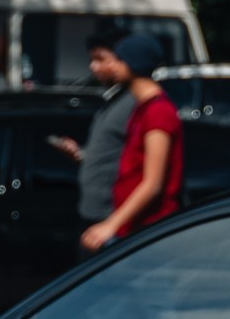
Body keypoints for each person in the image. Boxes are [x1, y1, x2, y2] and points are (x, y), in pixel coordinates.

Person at [79, 25, 184, 250]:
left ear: (133, 63)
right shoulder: (141, 109)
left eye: (119, 60)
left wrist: (111, 224)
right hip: (134, 228)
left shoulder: (158, 111)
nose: (113, 66)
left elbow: (152, 183)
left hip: (150, 230)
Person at [52, 34, 142, 230]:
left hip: (112, 219)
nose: (93, 67)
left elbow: (144, 171)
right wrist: (81, 154)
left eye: (101, 59)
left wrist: (112, 224)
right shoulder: (111, 102)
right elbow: (110, 154)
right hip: (97, 217)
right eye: (92, 60)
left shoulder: (135, 104)